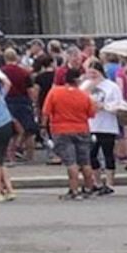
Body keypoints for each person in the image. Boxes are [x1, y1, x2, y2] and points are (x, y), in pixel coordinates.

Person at [43, 63, 102, 199]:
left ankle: (74, 190)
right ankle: (89, 187)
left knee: (71, 162)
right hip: (82, 129)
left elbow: (46, 112)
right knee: (85, 161)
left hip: (61, 129)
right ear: (78, 80)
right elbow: (91, 113)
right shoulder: (84, 95)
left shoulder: (55, 92)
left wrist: (43, 127)